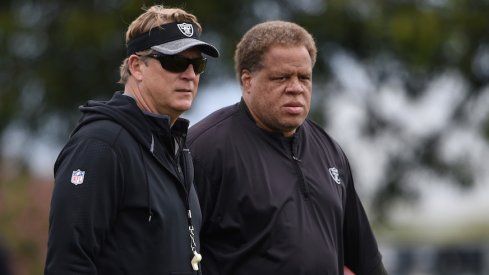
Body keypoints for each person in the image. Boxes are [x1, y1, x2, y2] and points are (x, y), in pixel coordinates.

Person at [188, 21, 388, 275]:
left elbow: (365, 259)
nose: (296, 88)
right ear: (247, 81)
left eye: (304, 77)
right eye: (281, 77)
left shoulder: (329, 150)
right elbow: (177, 256)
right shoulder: (203, 150)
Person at [44, 5, 219, 274]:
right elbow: (69, 264)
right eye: (175, 62)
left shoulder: (176, 149)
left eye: (197, 64)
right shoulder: (101, 144)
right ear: (137, 66)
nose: (190, 75)